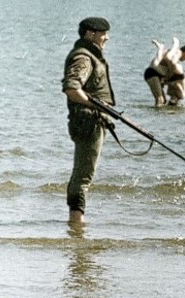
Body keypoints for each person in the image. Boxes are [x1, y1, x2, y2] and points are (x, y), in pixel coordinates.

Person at [62, 17, 115, 225]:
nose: (106, 38)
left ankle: (75, 220)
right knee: (84, 176)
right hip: (89, 122)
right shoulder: (84, 58)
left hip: (90, 121)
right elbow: (71, 87)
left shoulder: (88, 55)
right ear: (90, 34)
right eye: (103, 34)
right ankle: (77, 224)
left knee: (81, 174)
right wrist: (95, 106)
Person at [144, 37, 185, 107]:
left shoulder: (172, 52)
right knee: (160, 99)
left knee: (163, 101)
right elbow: (172, 62)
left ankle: (157, 116)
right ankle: (155, 116)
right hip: (153, 73)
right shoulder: (178, 53)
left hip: (155, 73)